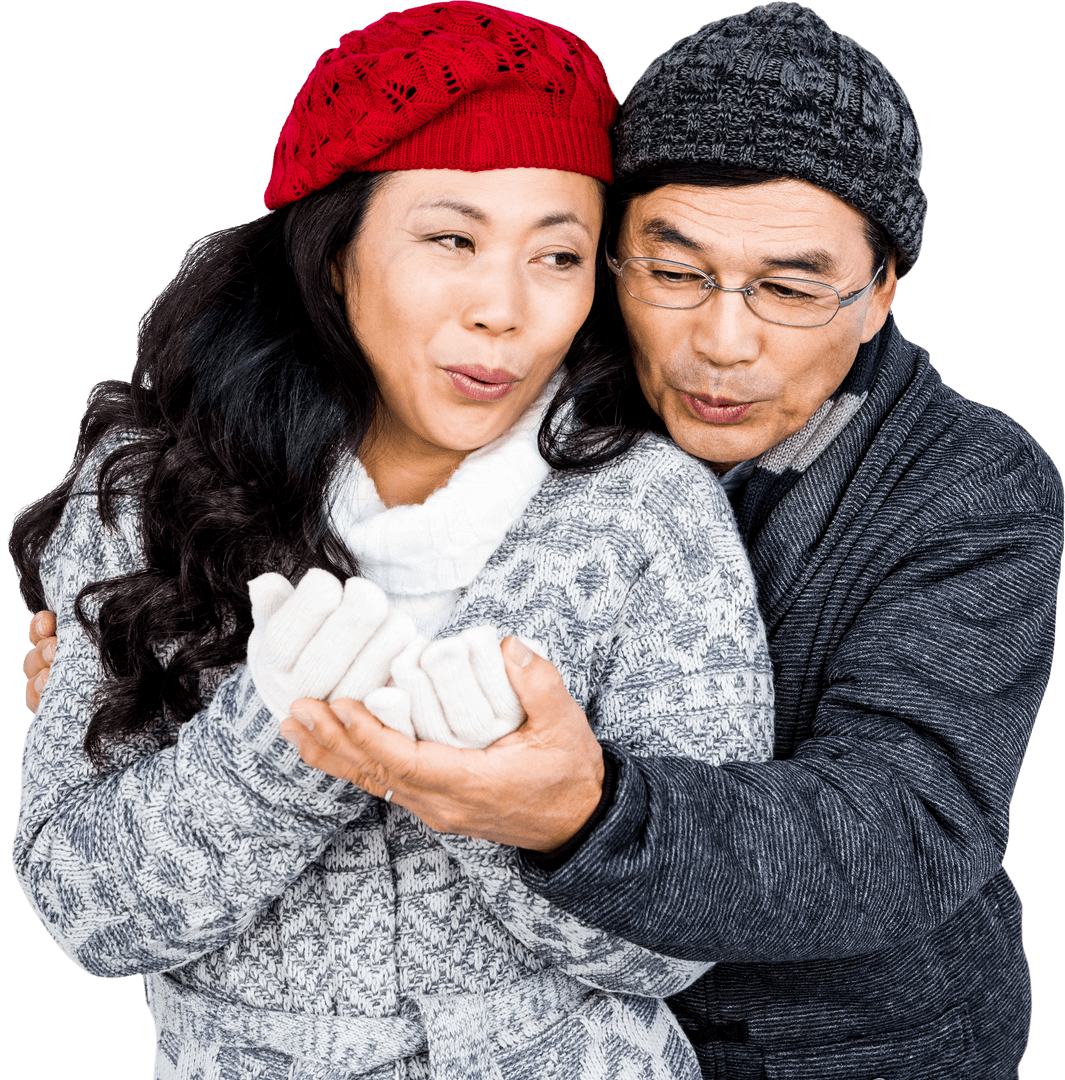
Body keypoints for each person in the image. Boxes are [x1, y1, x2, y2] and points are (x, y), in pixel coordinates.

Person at [209, 5, 1058, 1078]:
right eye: (675, 272)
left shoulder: (972, 488)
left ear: (879, 293)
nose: (723, 339)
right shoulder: (519, 388)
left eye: (792, 289)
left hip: (847, 1042)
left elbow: (909, 824)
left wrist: (592, 810)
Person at [10, 4, 775, 1079]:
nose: (504, 310)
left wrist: (511, 805)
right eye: (451, 239)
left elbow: (690, 939)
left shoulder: (645, 512)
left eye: (557, 256)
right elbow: (88, 914)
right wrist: (277, 736)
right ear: (335, 253)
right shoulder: (152, 488)